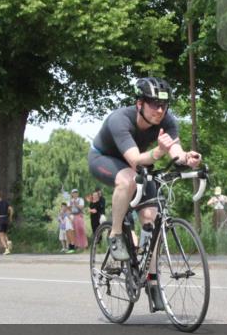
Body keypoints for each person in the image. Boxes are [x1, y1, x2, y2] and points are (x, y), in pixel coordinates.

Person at [87, 77, 202, 310]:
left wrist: (186, 158)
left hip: (138, 163)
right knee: (127, 179)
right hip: (105, 158)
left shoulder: (167, 120)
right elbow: (136, 160)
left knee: (151, 217)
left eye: (164, 105)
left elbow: (175, 151)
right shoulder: (120, 120)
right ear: (140, 103)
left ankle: (152, 281)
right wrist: (159, 152)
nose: (160, 110)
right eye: (154, 104)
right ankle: (116, 234)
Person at [0, 189, 14, 255]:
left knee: (0, 235)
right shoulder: (5, 202)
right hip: (6, 219)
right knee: (4, 233)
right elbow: (11, 209)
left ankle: (6, 249)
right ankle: (8, 241)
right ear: (1, 196)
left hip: (0, 219)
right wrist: (10, 217)